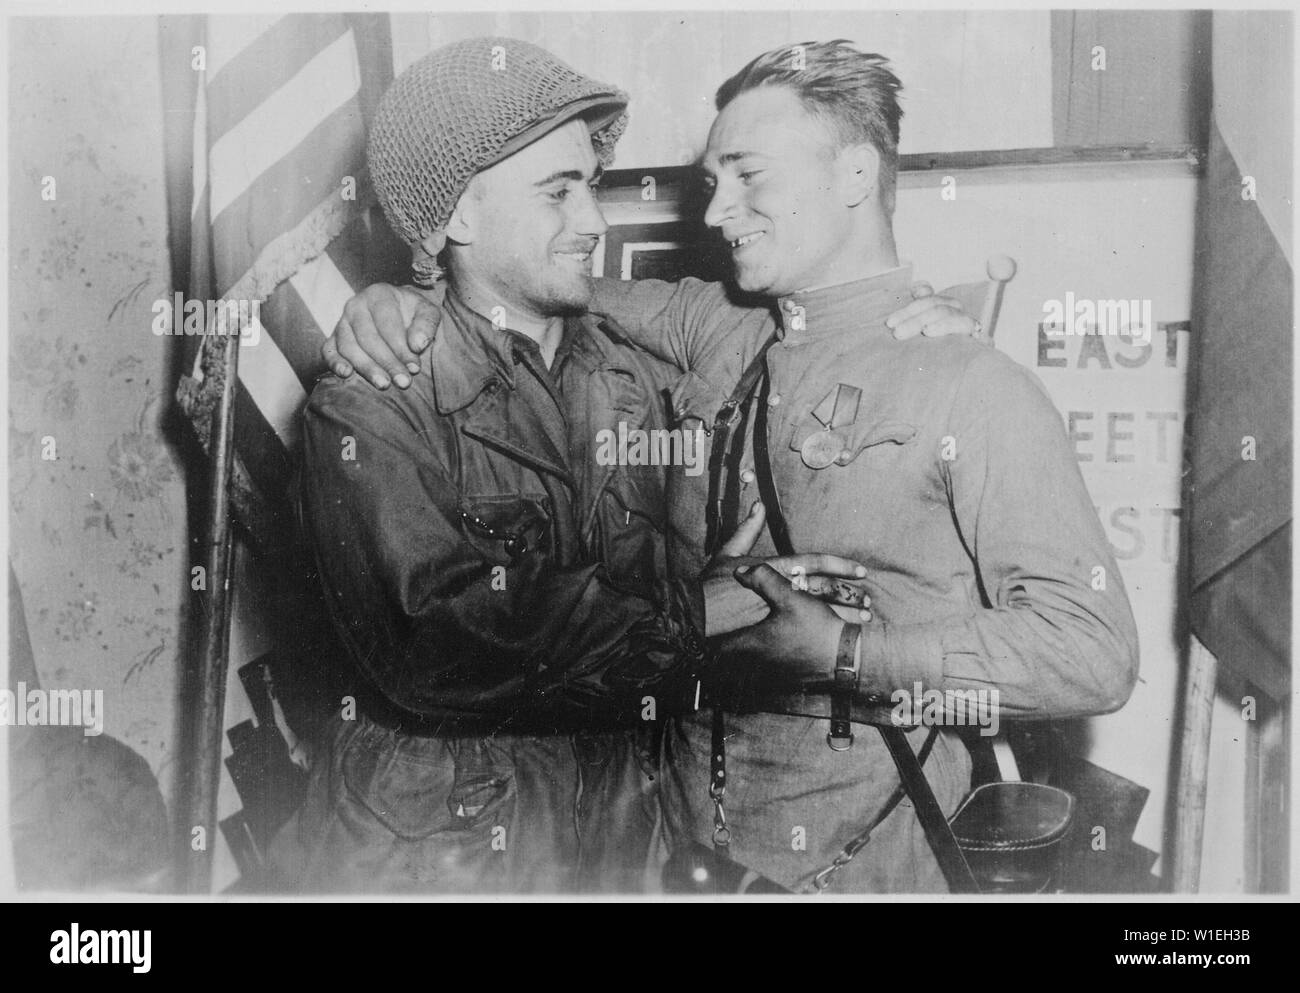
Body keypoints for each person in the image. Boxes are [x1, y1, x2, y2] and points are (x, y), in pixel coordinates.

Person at [329, 40, 1140, 893]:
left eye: (749, 175)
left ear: (856, 175)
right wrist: (399, 298)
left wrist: (851, 653)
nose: (717, 214)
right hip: (663, 851)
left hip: (856, 862)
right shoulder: (720, 325)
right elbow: (515, 281)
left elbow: (1091, 651)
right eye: (715, 182)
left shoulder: (972, 383)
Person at [270, 37, 879, 895]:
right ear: (459, 217)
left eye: (589, 185)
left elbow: (815, 320)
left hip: (617, 834)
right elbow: (433, 642)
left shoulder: (638, 374)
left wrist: (904, 313)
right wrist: (690, 609)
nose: (594, 222)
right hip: (440, 854)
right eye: (557, 194)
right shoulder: (373, 403)